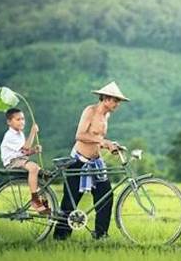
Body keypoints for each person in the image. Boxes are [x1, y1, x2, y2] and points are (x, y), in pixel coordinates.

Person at [53, 81, 130, 240]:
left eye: (118, 102)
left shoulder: (106, 115)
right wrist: (103, 142)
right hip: (79, 161)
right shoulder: (90, 111)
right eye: (116, 101)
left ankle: (101, 235)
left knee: (106, 196)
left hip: (96, 162)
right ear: (106, 99)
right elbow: (80, 135)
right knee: (70, 201)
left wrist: (110, 145)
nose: (117, 104)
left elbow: (98, 138)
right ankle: (60, 238)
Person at [0, 108, 50, 214]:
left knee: (43, 174)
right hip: (12, 161)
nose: (22, 122)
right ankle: (35, 199)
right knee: (34, 167)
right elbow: (26, 147)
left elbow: (24, 151)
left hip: (21, 159)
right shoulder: (10, 135)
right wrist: (32, 132)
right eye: (18, 119)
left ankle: (44, 201)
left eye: (23, 119)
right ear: (9, 122)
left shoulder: (20, 134)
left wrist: (34, 150)